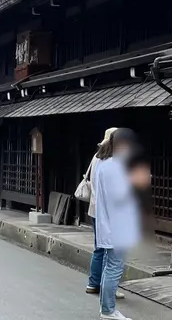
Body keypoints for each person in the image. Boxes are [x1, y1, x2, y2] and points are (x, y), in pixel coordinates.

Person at [93, 128, 142, 320]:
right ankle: (108, 310)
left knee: (108, 266)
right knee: (114, 267)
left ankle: (105, 308)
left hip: (106, 221)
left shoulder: (102, 163)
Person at [85, 128, 126, 299]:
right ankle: (107, 289)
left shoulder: (97, 158)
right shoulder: (111, 161)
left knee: (99, 249)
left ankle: (93, 283)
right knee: (111, 254)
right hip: (108, 212)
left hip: (95, 208)